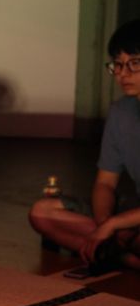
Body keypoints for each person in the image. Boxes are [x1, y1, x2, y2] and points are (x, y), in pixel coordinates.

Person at [29, 19, 140, 273]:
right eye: (118, 65)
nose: (123, 74)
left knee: (119, 231)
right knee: (42, 212)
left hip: (130, 220)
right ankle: (123, 255)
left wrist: (113, 226)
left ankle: (118, 253)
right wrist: (104, 223)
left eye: (134, 63)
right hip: (132, 216)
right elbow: (105, 183)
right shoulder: (121, 112)